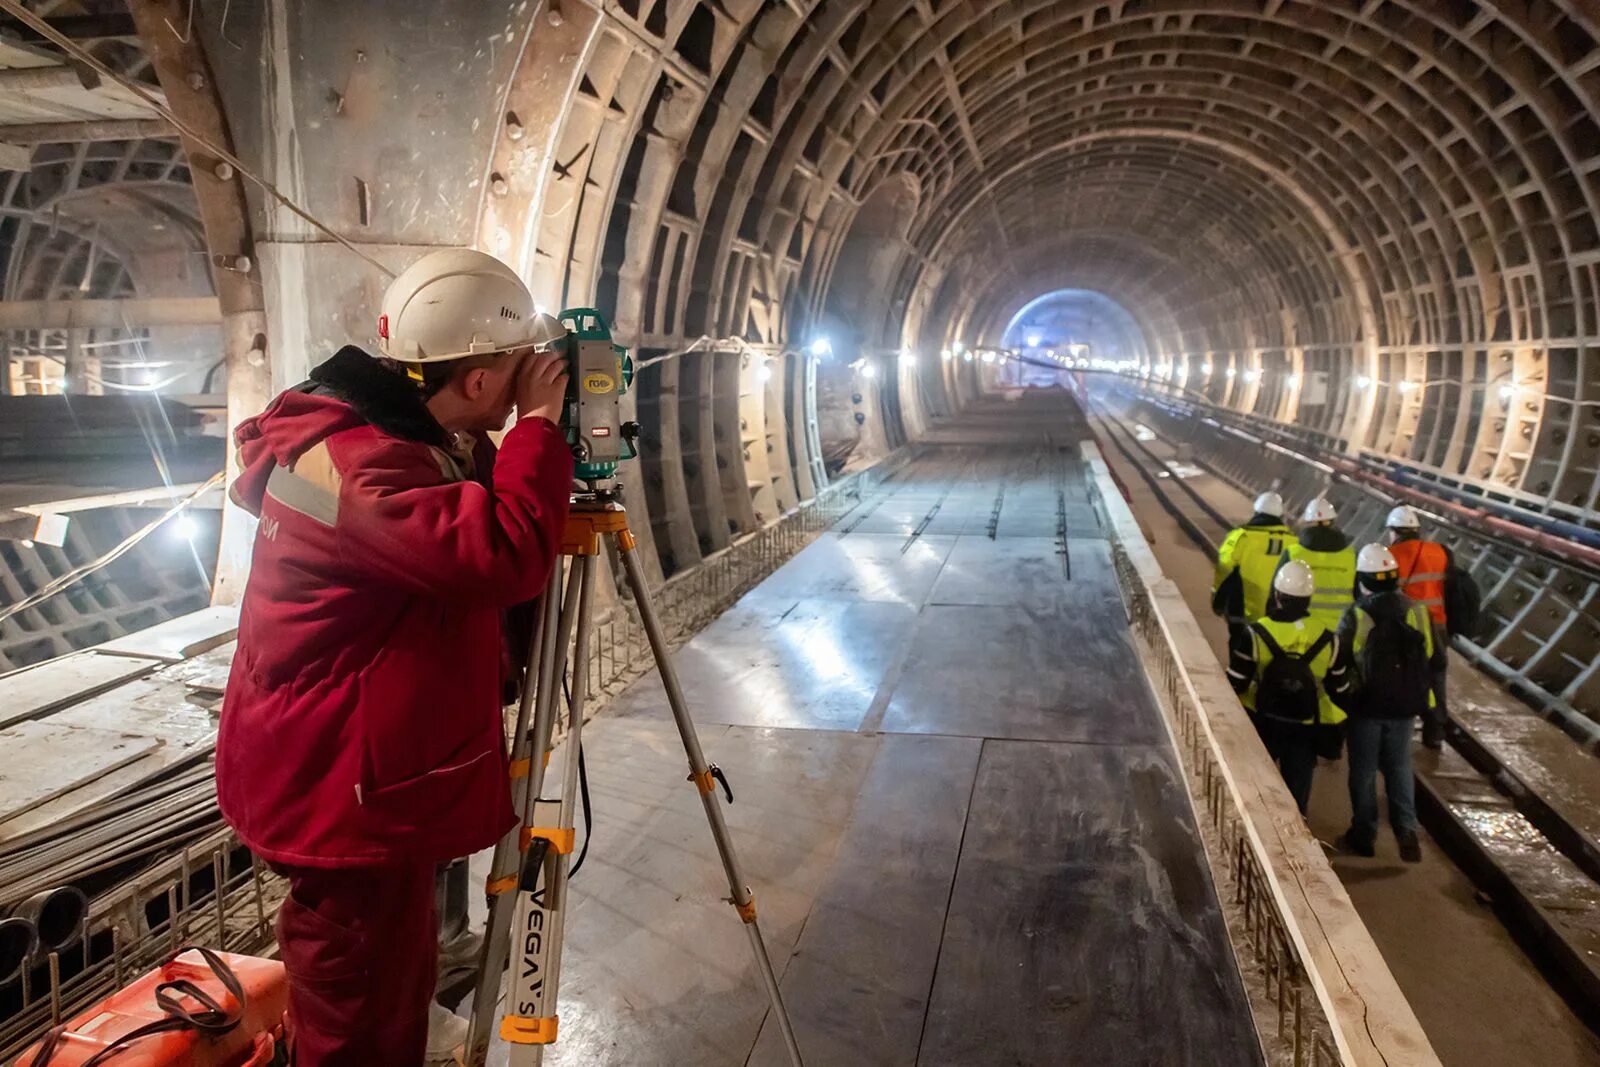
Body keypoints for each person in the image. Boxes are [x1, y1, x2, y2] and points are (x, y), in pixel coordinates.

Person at [217, 248, 574, 1065]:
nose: (528, 384)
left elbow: (447, 499)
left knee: (376, 988)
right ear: (480, 384)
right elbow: (499, 554)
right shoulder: (364, 469)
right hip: (340, 787)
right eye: (516, 369)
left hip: (338, 764)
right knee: (358, 1016)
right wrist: (543, 431)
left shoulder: (372, 432)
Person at [1328, 544, 1445, 863]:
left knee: (1364, 770)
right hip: (1406, 705)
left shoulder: (1356, 614)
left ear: (1362, 579)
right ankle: (1406, 829)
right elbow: (1435, 657)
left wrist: (1342, 698)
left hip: (1367, 706)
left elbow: (1341, 659)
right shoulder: (1418, 611)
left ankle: (1364, 835)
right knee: (1399, 766)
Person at [1227, 560, 1345, 814]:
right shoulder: (1328, 638)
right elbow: (1339, 687)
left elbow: (1236, 681)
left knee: (1256, 789)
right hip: (1304, 726)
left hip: (1262, 720)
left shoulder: (1256, 633)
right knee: (1296, 795)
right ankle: (1297, 832)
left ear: (1277, 594)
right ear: (1309, 598)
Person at [1385, 505, 1453, 749]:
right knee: (1437, 675)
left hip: (1410, 625)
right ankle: (1435, 730)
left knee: (1404, 673)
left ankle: (1399, 726)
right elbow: (1450, 588)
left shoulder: (1390, 555)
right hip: (1438, 622)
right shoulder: (1440, 552)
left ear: (1395, 531)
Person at [1212, 490, 1292, 642]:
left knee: (1242, 647)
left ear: (1256, 511)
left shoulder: (1242, 536)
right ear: (1281, 516)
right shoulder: (1293, 542)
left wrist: (1217, 600)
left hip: (1242, 612)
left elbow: (1224, 569)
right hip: (1279, 613)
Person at [1281, 497, 1356, 629]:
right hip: (1340, 627)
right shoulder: (1351, 556)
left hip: (1301, 626)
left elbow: (1277, 591)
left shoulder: (1293, 553)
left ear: (1307, 522)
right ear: (1333, 522)